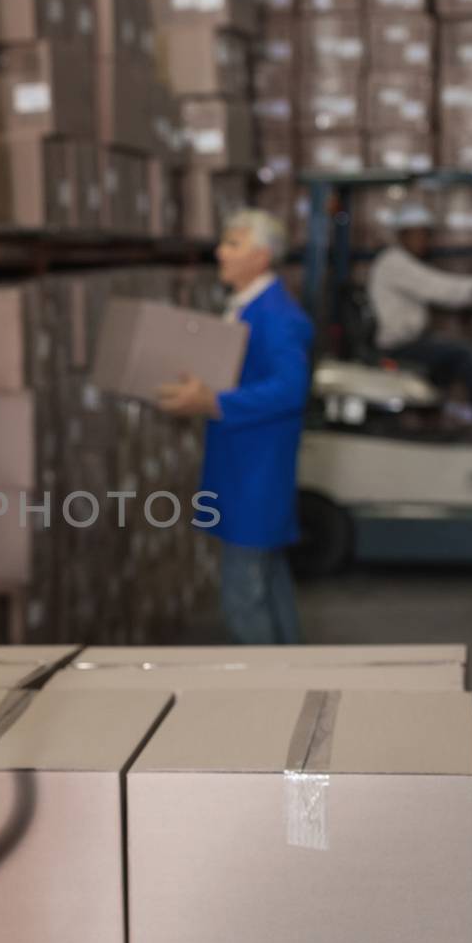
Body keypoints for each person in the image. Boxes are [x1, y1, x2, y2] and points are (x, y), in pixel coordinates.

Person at [157, 208, 311, 645]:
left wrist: (213, 401)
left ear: (261, 257)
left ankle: (272, 694)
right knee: (270, 578)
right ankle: (294, 674)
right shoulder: (247, 306)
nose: (220, 252)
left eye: (233, 244)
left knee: (243, 595)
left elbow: (291, 388)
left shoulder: (278, 316)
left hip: (257, 472)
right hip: (241, 464)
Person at [367, 202, 472, 425]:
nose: (424, 241)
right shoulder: (394, 262)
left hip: (411, 342)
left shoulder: (402, 261)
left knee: (460, 355)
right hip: (398, 347)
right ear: (404, 235)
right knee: (466, 354)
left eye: (426, 235)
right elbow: (439, 288)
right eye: (418, 234)